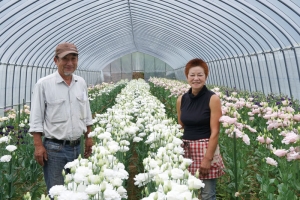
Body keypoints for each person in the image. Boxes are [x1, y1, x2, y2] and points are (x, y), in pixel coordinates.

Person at [29, 42, 93, 194]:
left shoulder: (80, 83)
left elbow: (86, 111)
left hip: (77, 147)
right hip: (55, 150)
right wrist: (38, 146)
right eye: (65, 59)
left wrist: (89, 137)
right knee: (58, 192)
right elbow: (36, 118)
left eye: (73, 59)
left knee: (77, 191)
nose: (70, 63)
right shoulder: (44, 85)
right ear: (56, 60)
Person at [176, 58, 225, 200]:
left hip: (205, 149)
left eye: (200, 75)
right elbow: (181, 127)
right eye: (192, 75)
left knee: (207, 195)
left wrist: (208, 158)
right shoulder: (181, 99)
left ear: (206, 76)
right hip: (186, 150)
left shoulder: (212, 98)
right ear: (187, 77)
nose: (196, 78)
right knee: (188, 193)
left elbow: (215, 131)